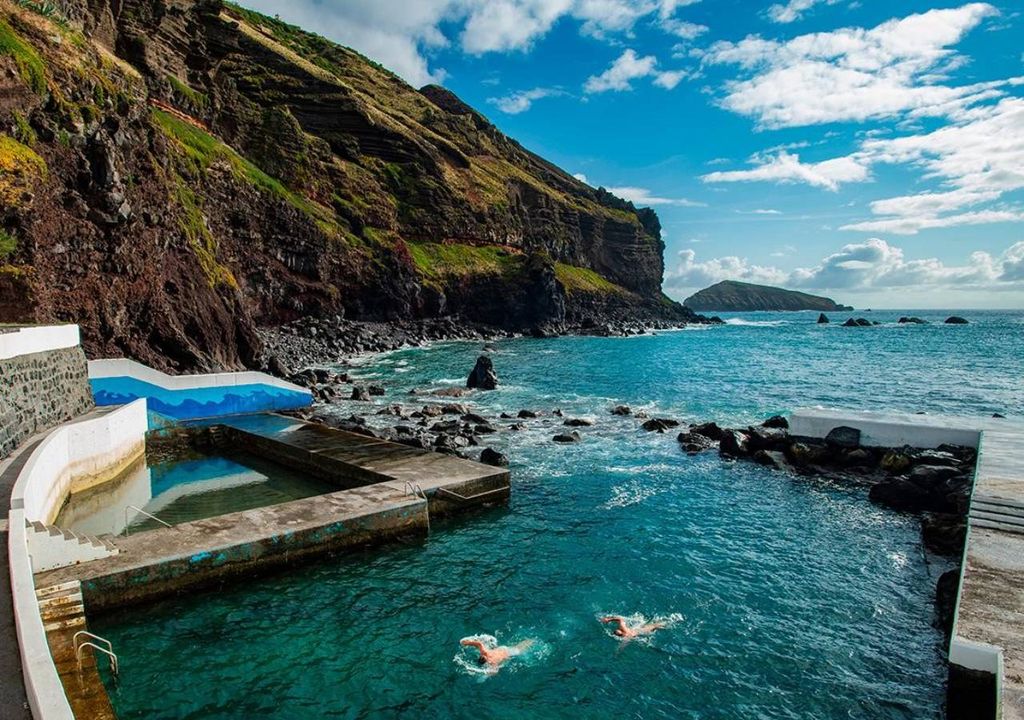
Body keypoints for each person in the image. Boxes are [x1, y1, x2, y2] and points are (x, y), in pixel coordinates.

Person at [460, 637, 535, 672]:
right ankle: (531, 641)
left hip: (507, 652)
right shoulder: (486, 654)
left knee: (519, 649)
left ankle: (532, 641)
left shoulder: (491, 661)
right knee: (519, 648)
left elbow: (494, 671)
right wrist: (467, 643)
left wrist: (468, 643)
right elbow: (479, 644)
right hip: (503, 649)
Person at [600, 615, 665, 639]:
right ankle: (667, 621)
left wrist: (608, 619)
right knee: (655, 626)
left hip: (643, 630)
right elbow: (623, 645)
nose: (617, 629)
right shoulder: (625, 633)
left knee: (655, 626)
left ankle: (669, 621)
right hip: (641, 630)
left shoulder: (625, 633)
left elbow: (620, 619)